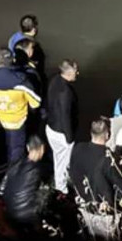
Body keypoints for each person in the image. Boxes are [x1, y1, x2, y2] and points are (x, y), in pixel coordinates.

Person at [69, 117, 122, 238]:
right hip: (103, 214)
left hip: (81, 207)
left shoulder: (78, 148)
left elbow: (71, 172)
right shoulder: (108, 158)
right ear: (107, 134)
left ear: (91, 133)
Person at [0, 49, 42, 169]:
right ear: (13, 61)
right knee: (16, 158)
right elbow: (35, 103)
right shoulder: (22, 82)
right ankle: (13, 180)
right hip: (16, 125)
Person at [45, 59, 79, 193]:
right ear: (69, 73)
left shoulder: (54, 81)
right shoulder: (66, 92)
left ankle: (60, 182)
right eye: (76, 72)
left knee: (58, 158)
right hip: (61, 133)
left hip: (51, 127)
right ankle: (62, 190)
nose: (78, 73)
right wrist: (69, 138)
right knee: (64, 163)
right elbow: (65, 116)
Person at [3, 135, 47, 231]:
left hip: (8, 211)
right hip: (27, 215)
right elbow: (43, 195)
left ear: (28, 148)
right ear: (42, 149)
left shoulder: (15, 163)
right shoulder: (37, 169)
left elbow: (0, 189)